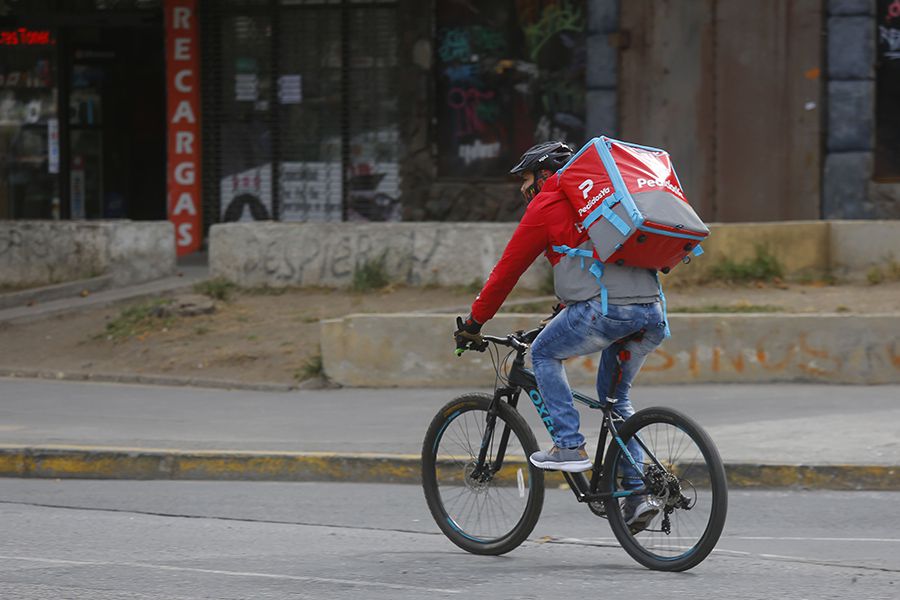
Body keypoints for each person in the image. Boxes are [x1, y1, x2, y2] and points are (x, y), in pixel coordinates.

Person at [453, 141, 668, 531]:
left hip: (605, 310)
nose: (523, 188)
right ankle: (638, 494)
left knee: (543, 354)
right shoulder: (600, 204)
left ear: (546, 175)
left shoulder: (547, 203)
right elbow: (592, 262)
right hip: (650, 312)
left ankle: (570, 445)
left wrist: (474, 323)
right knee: (615, 399)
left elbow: (506, 273)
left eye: (527, 177)